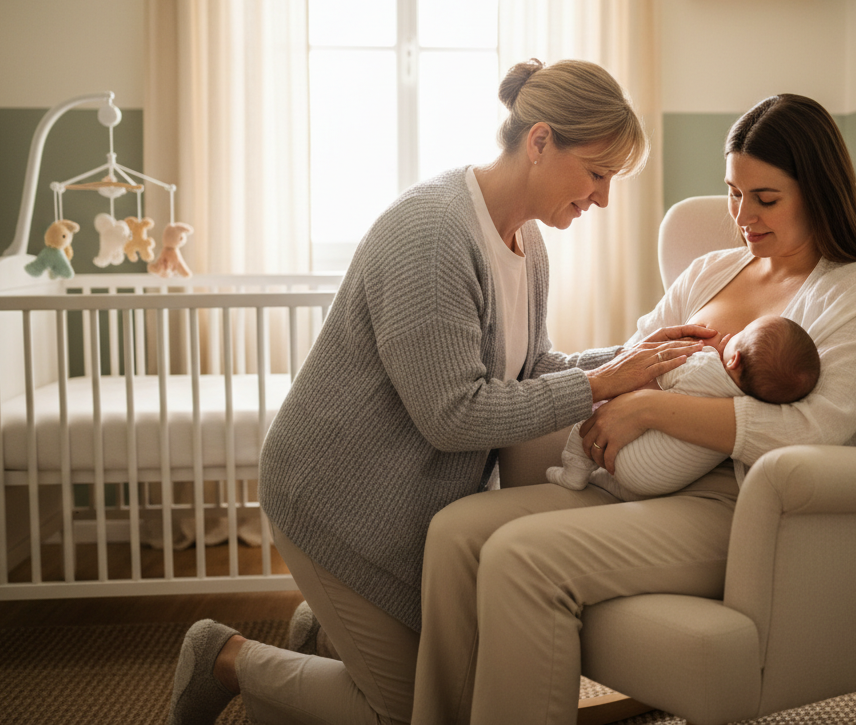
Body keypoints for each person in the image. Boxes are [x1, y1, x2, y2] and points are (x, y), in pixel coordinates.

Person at [164, 58, 715, 725]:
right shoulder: (433, 236)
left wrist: (640, 359)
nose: (602, 198)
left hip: (404, 510)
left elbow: (531, 365)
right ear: (540, 142)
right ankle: (224, 657)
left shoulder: (527, 243)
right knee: (417, 713)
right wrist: (601, 382)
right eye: (597, 174)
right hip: (334, 502)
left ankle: (322, 636)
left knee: (451, 686)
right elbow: (454, 415)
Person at [411, 93, 856, 725]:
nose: (742, 216)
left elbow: (813, 429)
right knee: (457, 533)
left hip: (741, 509)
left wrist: (651, 412)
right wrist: (616, 397)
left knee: (521, 558)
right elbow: (631, 356)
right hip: (632, 479)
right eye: (734, 192)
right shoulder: (712, 272)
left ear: (818, 190)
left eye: (766, 198)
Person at [546, 315, 820, 501]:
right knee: (640, 474)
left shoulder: (705, 363)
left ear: (734, 359)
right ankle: (605, 481)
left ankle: (574, 473)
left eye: (742, 334)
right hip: (660, 483)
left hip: (627, 458)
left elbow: (654, 371)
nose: (732, 334)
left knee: (590, 408)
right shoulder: (743, 405)